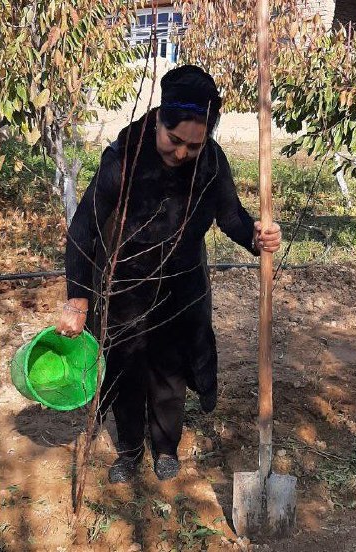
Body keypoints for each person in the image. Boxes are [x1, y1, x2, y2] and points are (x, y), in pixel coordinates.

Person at [56, 65, 281, 483]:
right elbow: (83, 229)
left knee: (170, 372)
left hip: (182, 288)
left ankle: (165, 447)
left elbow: (229, 215)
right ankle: (128, 451)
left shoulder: (211, 163)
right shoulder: (122, 160)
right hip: (125, 284)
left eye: (193, 146)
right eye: (174, 140)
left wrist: (256, 236)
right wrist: (78, 298)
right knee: (124, 369)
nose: (181, 154)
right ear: (158, 118)